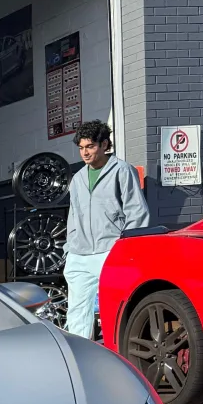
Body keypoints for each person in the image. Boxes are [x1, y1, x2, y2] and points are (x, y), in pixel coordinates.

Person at [63, 120, 148, 338]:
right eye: (81, 148)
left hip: (109, 250)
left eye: (90, 146)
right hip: (79, 254)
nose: (85, 153)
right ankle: (80, 356)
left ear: (104, 144)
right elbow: (73, 215)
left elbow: (137, 212)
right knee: (77, 311)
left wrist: (125, 250)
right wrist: (69, 249)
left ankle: (117, 354)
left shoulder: (122, 171)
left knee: (116, 307)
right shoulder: (78, 178)